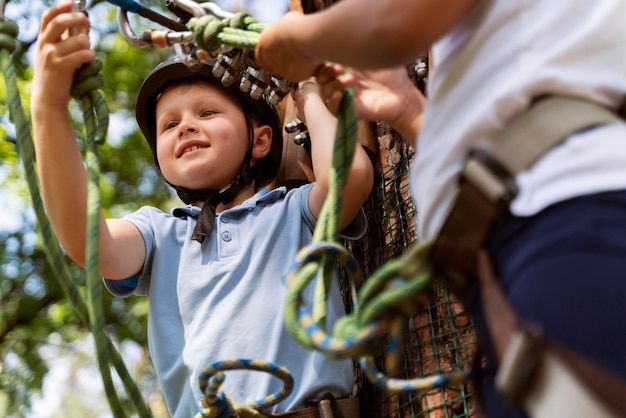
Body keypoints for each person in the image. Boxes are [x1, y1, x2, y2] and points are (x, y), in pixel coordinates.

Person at [255, 1, 626, 417]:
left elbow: (392, 22)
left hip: (569, 228)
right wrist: (407, 109)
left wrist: (295, 38)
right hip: (527, 256)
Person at [31, 2, 374, 417]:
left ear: (261, 140)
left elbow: (349, 177)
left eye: (207, 113)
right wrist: (48, 109)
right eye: (169, 125)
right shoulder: (160, 236)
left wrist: (311, 95)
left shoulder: (294, 213)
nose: (186, 127)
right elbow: (88, 243)